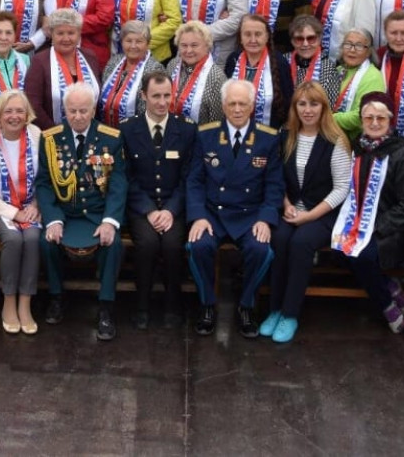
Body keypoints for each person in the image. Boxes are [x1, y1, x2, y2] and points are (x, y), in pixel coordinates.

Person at [186, 79, 282, 338]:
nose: (237, 109)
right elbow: (194, 180)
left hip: (249, 214)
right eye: (232, 103)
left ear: (252, 106)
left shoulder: (268, 138)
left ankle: (246, 306)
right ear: (223, 106)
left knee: (262, 250)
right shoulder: (205, 135)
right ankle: (207, 304)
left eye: (243, 104)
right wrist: (197, 216)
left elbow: (274, 185)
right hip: (213, 214)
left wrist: (265, 218)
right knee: (198, 246)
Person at [35, 83, 126, 341]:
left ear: (93, 109)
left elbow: (118, 184)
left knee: (113, 243)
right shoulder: (50, 138)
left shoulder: (111, 138)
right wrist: (52, 220)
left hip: (97, 214)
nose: (77, 116)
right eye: (72, 111)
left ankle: (106, 307)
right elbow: (43, 182)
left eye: (83, 111)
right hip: (64, 214)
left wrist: (109, 222)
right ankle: (56, 297)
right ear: (64, 109)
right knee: (47, 241)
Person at [263, 81, 352, 343]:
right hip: (291, 209)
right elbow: (275, 176)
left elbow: (341, 189)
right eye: (302, 104)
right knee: (279, 239)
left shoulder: (335, 141)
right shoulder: (285, 136)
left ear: (324, 107)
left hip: (322, 213)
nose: (308, 110)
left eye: (314, 104)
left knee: (301, 243)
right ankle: (274, 309)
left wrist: (309, 217)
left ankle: (290, 314)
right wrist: (287, 204)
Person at [330, 93, 404, 333]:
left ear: (390, 121)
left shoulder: (401, 153)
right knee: (339, 248)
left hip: (388, 228)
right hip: (355, 221)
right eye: (368, 117)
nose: (374, 123)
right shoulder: (356, 147)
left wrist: (376, 226)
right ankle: (389, 288)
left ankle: (385, 304)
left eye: (381, 117)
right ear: (361, 120)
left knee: (361, 255)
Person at [120, 71, 195, 329]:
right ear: (143, 96)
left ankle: (173, 304)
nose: (162, 102)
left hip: (174, 206)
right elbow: (126, 177)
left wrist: (172, 210)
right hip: (143, 207)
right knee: (148, 244)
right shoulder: (128, 130)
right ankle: (142, 304)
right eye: (156, 96)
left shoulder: (186, 129)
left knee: (174, 245)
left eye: (166, 96)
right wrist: (149, 210)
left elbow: (189, 177)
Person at [0, 90, 44, 334]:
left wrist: (35, 206)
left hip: (32, 208)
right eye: (8, 111)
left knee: (33, 238)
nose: (14, 116)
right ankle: (9, 301)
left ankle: (26, 303)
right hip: (0, 210)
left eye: (19, 111)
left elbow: (46, 179)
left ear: (27, 114)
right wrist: (13, 213)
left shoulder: (37, 136)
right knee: (13, 239)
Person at [23, 9, 101, 131]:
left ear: (79, 33)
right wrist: (57, 132)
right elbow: (32, 105)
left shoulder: (90, 57)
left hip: (89, 134)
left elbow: (98, 101)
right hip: (53, 135)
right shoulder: (40, 61)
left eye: (71, 33)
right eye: (60, 33)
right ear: (52, 34)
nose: (66, 38)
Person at [225, 14, 294, 128]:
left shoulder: (279, 62)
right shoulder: (233, 60)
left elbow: (288, 103)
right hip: (235, 130)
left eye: (258, 34)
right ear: (240, 38)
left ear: (267, 37)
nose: (253, 40)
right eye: (247, 34)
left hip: (270, 133)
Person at [98, 20, 164, 127]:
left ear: (147, 44)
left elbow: (151, 109)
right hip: (106, 130)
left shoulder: (155, 70)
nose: (133, 46)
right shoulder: (113, 62)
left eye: (139, 41)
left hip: (137, 132)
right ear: (122, 42)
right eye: (128, 41)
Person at [166, 21, 227, 125]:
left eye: (194, 45)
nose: (188, 50)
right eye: (184, 45)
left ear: (207, 46)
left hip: (200, 137)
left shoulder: (217, 78)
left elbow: (217, 123)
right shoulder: (172, 65)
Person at [333, 28, 386, 143]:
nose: (352, 50)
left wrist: (328, 118)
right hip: (332, 136)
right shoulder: (337, 70)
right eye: (348, 44)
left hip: (356, 142)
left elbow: (361, 116)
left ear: (368, 52)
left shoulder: (373, 76)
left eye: (359, 46)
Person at [286, 15, 342, 105]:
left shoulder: (328, 68)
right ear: (292, 41)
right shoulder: (284, 62)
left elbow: (329, 107)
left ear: (319, 39)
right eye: (299, 39)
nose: (305, 44)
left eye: (311, 38)